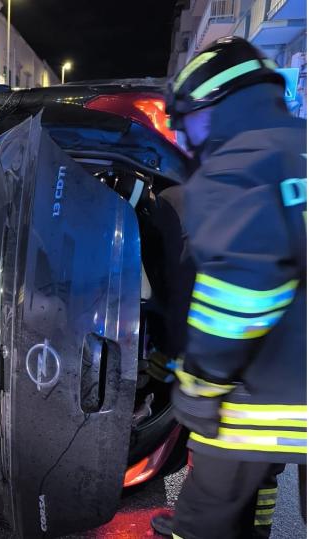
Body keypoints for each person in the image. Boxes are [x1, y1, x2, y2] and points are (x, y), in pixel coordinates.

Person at [151, 36, 307, 538]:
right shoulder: (298, 146)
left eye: (184, 121)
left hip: (266, 392)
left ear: (213, 105)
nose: (181, 139)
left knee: (203, 515)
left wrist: (201, 383)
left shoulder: (236, 167)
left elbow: (242, 294)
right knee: (258, 478)